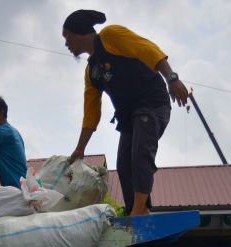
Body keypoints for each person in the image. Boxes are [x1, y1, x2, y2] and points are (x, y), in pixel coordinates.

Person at [62, 10, 189, 215]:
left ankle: (138, 210)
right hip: (129, 118)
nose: (66, 43)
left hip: (153, 104)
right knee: (123, 164)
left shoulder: (110, 36)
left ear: (80, 32)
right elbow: (91, 112)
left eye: (67, 37)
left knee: (140, 154)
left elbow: (147, 49)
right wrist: (80, 148)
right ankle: (138, 211)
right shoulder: (91, 72)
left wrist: (172, 78)